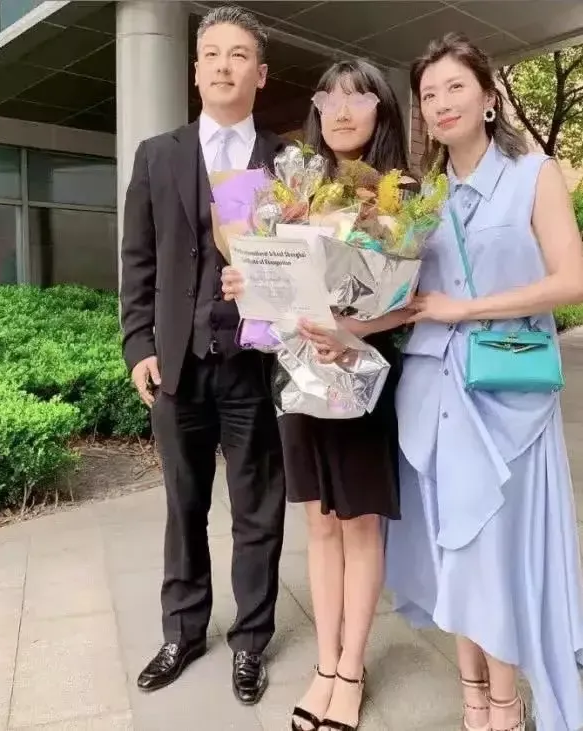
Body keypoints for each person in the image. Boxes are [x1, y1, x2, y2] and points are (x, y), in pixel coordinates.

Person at [381, 33, 583, 731]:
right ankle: (473, 698)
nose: (441, 103)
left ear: (489, 98)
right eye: (428, 94)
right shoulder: (425, 198)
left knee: (493, 555)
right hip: (434, 394)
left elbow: (572, 280)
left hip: (508, 395)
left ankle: (507, 703)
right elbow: (407, 300)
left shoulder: (534, 175)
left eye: (454, 87)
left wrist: (465, 309)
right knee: (453, 552)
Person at [223, 59, 412, 731]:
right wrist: (247, 282)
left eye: (357, 96)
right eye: (329, 97)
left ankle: (352, 669)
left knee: (359, 524)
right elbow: (280, 286)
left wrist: (351, 332)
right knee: (320, 524)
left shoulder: (401, 195)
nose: (341, 109)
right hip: (298, 377)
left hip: (361, 377)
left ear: (381, 109)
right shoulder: (291, 190)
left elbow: (409, 299)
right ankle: (325, 663)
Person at [120, 6, 286, 706]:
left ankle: (250, 640)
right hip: (178, 367)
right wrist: (138, 345)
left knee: (257, 510)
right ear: (194, 71)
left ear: (260, 73)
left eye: (238, 54)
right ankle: (183, 630)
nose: (223, 65)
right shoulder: (157, 155)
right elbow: (139, 259)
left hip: (255, 365)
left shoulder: (287, 162)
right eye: (212, 54)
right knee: (183, 506)